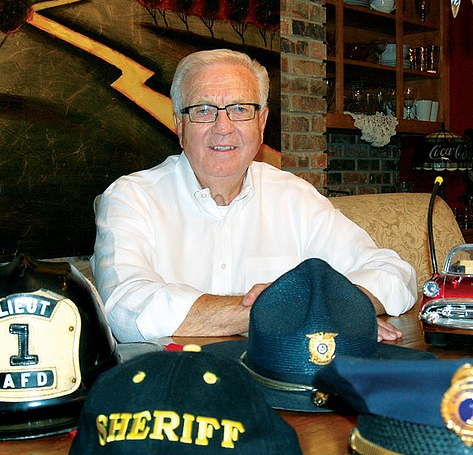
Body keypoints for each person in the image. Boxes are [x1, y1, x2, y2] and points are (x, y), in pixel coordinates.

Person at [92, 49, 416, 343]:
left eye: (240, 109)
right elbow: (126, 307)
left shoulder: (294, 197)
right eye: (204, 110)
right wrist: (283, 312)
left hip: (278, 387)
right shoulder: (131, 198)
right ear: (179, 124)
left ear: (261, 122)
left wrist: (333, 306)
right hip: (173, 392)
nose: (223, 126)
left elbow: (394, 276)